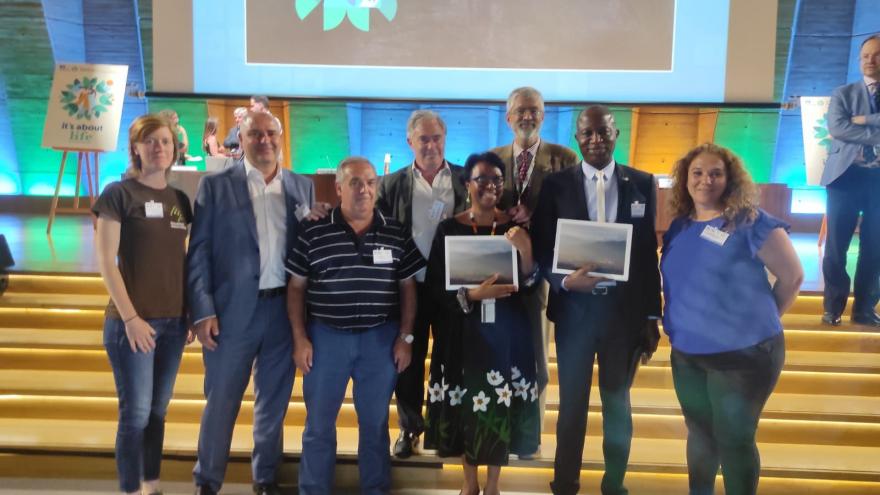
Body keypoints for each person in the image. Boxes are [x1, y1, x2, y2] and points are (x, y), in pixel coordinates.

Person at [532, 105, 662, 495]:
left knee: (617, 406)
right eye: (587, 133)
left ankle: (614, 484)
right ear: (577, 138)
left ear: (616, 134)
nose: (595, 140)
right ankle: (565, 484)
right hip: (575, 313)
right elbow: (540, 248)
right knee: (572, 407)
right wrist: (564, 280)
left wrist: (652, 316)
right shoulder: (556, 185)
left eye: (603, 132)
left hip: (623, 317)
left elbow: (644, 254)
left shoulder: (642, 182)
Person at [661, 143, 803, 495]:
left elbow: (793, 277)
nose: (705, 180)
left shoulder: (751, 223)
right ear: (685, 179)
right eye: (697, 173)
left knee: (734, 440)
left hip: (743, 357)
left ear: (730, 180)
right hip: (688, 355)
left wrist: (755, 322)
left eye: (715, 173)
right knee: (700, 435)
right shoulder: (679, 227)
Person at [187, 111, 317, 495]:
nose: (264, 141)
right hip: (230, 315)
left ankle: (264, 479)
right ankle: (207, 481)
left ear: (281, 138)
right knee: (221, 402)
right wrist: (203, 309)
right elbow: (198, 254)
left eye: (270, 134)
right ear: (240, 140)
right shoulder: (214, 186)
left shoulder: (301, 186)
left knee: (272, 405)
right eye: (255, 134)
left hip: (283, 313)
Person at [287, 157, 424, 495]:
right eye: (355, 183)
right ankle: (313, 489)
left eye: (370, 182)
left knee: (375, 425)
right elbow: (295, 288)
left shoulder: (395, 231)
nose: (364, 189)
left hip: (379, 340)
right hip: (325, 339)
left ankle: (375, 489)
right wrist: (300, 338)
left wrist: (405, 337)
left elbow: (408, 286)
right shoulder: (313, 230)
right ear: (338, 188)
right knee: (319, 425)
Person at [423, 151, 541, 495]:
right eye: (482, 179)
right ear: (467, 184)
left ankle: (493, 485)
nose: (490, 186)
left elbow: (531, 286)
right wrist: (470, 297)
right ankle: (469, 482)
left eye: (496, 180)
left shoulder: (516, 229)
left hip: (507, 333)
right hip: (463, 332)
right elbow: (434, 288)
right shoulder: (449, 228)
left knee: (499, 403)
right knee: (468, 405)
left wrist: (527, 251)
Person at [92, 114, 193, 495]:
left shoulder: (179, 200)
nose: (159, 148)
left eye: (165, 142)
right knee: (134, 414)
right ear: (135, 147)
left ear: (175, 148)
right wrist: (131, 318)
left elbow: (183, 258)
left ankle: (152, 484)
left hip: (172, 323)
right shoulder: (119, 195)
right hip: (132, 324)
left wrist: (188, 314)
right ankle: (130, 489)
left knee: (157, 412)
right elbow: (105, 261)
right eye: (150, 141)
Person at [490, 87, 579, 457]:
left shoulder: (564, 158)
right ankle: (499, 427)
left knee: (537, 357)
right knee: (499, 354)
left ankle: (530, 433)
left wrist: (537, 217)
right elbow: (478, 204)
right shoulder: (491, 158)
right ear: (508, 118)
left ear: (543, 116)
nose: (527, 116)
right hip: (497, 270)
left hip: (543, 270)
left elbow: (575, 211)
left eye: (534, 111)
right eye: (520, 111)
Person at [376, 109, 469, 458]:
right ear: (409, 142)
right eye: (423, 139)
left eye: (436, 138)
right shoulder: (391, 185)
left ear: (445, 140)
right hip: (410, 289)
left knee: (451, 359)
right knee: (409, 363)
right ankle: (409, 429)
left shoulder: (464, 179)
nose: (430, 145)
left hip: (453, 289)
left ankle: (448, 428)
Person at [820, 34, 880, 327]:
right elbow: (838, 129)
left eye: (877, 55)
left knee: (876, 246)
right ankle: (833, 308)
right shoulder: (843, 94)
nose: (870, 60)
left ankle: (865, 309)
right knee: (836, 246)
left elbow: (851, 126)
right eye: (865, 56)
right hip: (845, 177)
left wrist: (864, 120)